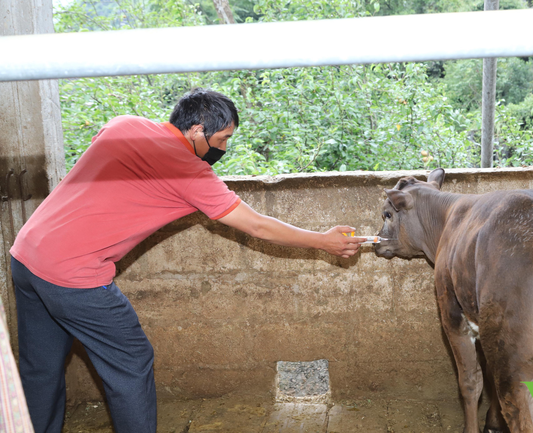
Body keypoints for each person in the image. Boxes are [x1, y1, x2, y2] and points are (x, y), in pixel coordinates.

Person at [9, 88, 365, 433]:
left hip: (27, 255)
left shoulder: (123, 125)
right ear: (197, 131)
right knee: (131, 360)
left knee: (40, 368)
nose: (223, 148)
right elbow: (257, 225)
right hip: (74, 276)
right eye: (222, 139)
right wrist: (323, 241)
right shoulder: (188, 172)